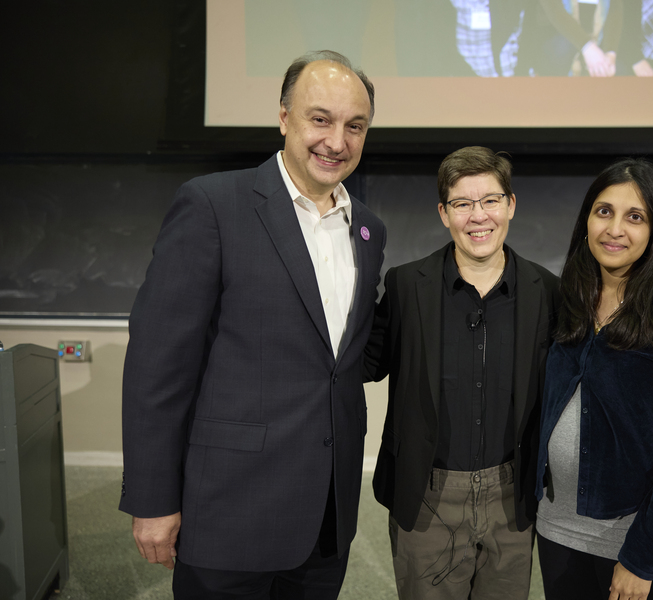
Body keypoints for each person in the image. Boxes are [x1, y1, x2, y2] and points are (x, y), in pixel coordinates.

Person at [119, 50, 386, 599]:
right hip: (228, 513)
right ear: (284, 117)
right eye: (320, 119)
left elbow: (339, 364)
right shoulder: (213, 205)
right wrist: (152, 498)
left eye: (354, 126)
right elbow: (157, 365)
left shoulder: (369, 231)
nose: (337, 141)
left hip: (326, 520)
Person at [365, 146, 560, 599]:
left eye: (490, 200)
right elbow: (361, 364)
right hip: (429, 494)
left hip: (512, 498)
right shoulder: (405, 286)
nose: (479, 216)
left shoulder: (547, 291)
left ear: (511, 205)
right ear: (443, 213)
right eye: (462, 204)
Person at [535, 158, 653, 600]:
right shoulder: (566, 302)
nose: (615, 229)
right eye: (604, 211)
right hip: (559, 529)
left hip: (643, 540)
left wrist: (640, 557)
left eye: (634, 217)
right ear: (586, 221)